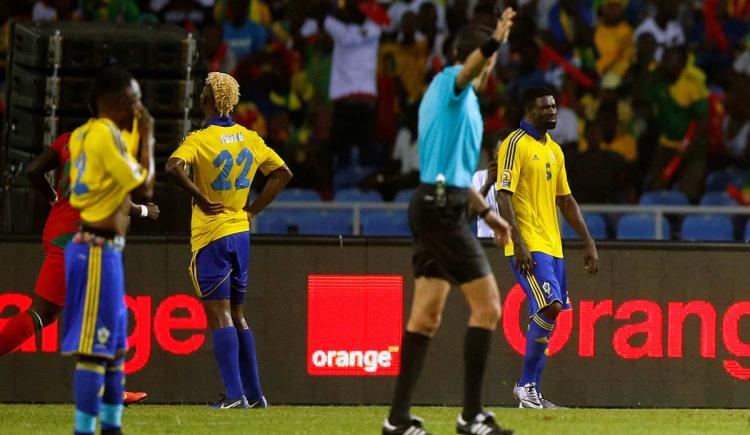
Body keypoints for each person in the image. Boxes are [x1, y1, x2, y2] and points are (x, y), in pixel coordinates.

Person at [383, 8, 516, 435]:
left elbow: (455, 174)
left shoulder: (464, 103)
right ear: (476, 55)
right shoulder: (449, 83)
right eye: (488, 57)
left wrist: (488, 214)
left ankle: (397, 420)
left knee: (425, 317)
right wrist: (493, 41)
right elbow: (469, 71)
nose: (490, 66)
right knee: (488, 306)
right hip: (441, 210)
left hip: (441, 202)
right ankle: (472, 415)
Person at [0, 129, 158, 406]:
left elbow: (33, 170)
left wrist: (54, 200)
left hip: (59, 232)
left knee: (67, 313)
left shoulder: (70, 139)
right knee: (54, 312)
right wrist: (145, 211)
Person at [166, 72, 292, 409]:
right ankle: (254, 395)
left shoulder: (199, 139)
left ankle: (235, 396)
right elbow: (282, 174)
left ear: (205, 100)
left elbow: (172, 166)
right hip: (240, 233)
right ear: (232, 101)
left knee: (219, 314)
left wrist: (200, 197)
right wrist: (252, 210)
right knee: (238, 313)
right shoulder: (250, 137)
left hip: (212, 235)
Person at [61, 67, 155, 435]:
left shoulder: (85, 133)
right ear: (122, 102)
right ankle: (84, 430)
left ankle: (112, 428)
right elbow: (144, 184)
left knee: (115, 350)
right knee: (94, 352)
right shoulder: (104, 134)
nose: (139, 109)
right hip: (97, 251)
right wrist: (147, 135)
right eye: (135, 101)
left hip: (102, 250)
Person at [495, 87, 599, 409]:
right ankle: (525, 386)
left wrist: (588, 241)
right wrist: (520, 243)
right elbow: (503, 195)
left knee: (549, 313)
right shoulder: (514, 144)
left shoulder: (554, 150)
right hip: (528, 244)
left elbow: (565, 200)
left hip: (553, 246)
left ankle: (532, 393)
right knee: (550, 306)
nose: (553, 112)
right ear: (529, 111)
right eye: (546, 108)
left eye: (555, 106)